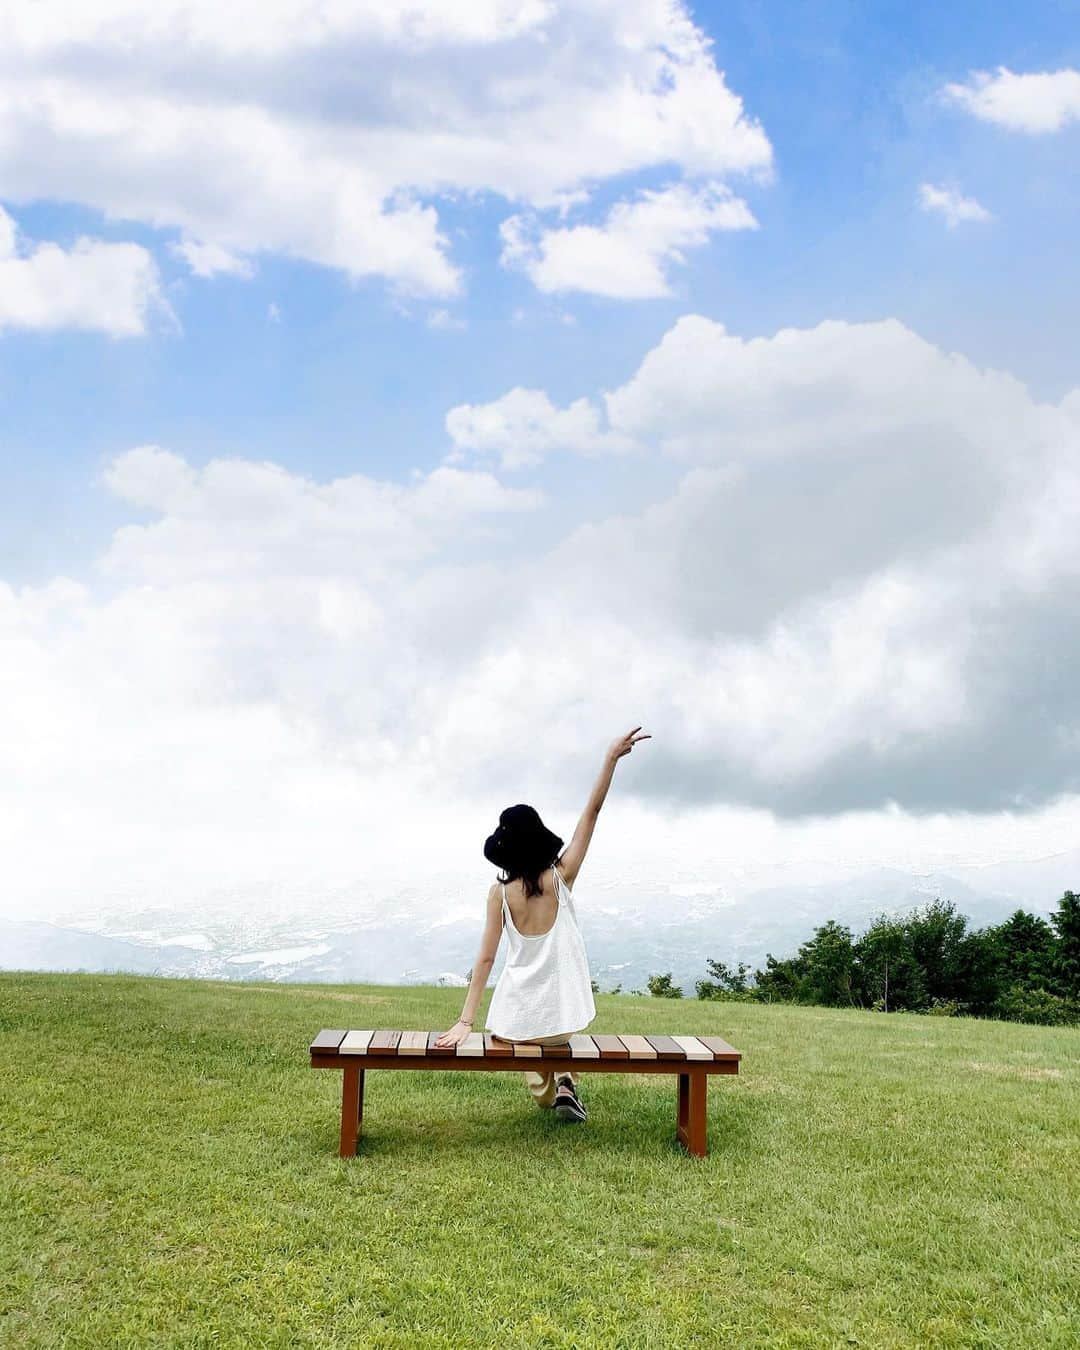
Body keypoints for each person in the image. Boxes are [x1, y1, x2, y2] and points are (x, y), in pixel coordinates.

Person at [434, 726, 651, 1122]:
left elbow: (484, 961)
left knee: (510, 1041)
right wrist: (610, 759)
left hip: (517, 1023)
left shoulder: (499, 893)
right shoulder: (561, 877)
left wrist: (466, 1020)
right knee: (553, 1044)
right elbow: (592, 813)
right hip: (562, 1021)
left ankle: (552, 1088)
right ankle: (567, 1080)